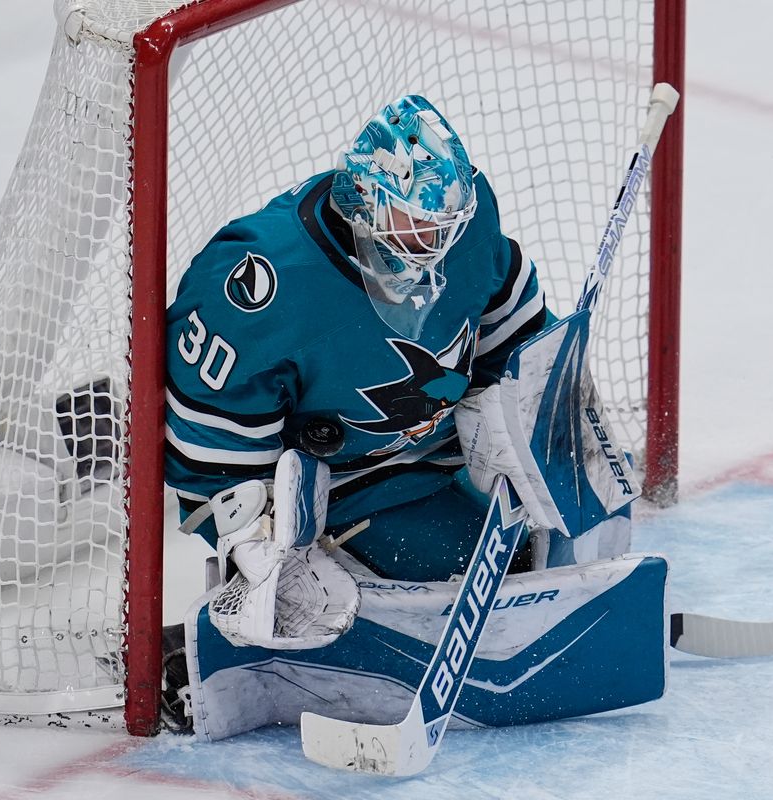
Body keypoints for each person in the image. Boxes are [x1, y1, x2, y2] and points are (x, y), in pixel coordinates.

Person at [160, 95, 652, 739]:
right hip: (343, 485)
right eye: (415, 225)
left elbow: (513, 318)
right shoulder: (261, 282)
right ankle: (227, 656)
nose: (434, 245)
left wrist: (522, 411)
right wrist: (259, 545)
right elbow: (209, 454)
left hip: (438, 452)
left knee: (588, 506)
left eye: (443, 227)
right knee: (446, 577)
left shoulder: (464, 229)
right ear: (363, 200)